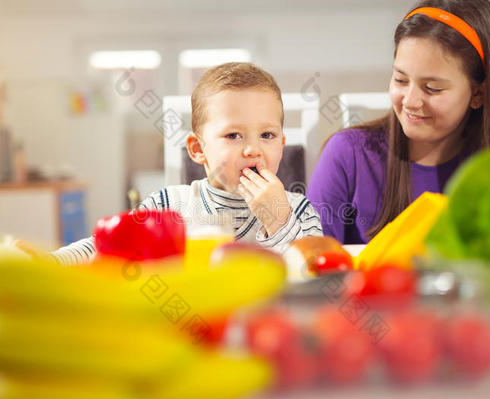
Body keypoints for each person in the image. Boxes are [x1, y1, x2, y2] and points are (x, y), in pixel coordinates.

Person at [49, 62, 322, 265]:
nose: (253, 149)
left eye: (267, 135)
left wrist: (278, 221)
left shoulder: (300, 210)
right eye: (233, 135)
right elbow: (108, 247)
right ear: (197, 149)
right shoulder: (167, 206)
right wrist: (51, 262)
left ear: (281, 144)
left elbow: (312, 274)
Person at [307, 0, 490, 244]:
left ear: (479, 94)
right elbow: (311, 262)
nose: (411, 102)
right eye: (400, 80)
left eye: (432, 88)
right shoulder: (348, 154)